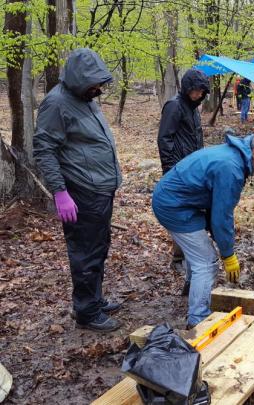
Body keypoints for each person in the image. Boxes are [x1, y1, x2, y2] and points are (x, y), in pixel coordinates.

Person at [33, 48, 122, 332]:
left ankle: (93, 299)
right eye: (93, 83)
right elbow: (44, 149)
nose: (98, 88)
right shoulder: (56, 103)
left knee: (99, 246)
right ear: (78, 79)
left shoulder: (85, 99)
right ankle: (86, 311)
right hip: (82, 190)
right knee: (86, 251)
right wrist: (60, 192)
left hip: (101, 187)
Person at [152, 133, 254, 328]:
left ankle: (192, 287)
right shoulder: (231, 168)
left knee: (199, 252)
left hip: (182, 202)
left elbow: (217, 211)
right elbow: (222, 217)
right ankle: (198, 318)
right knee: (206, 261)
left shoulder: (235, 157)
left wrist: (223, 243)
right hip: (174, 206)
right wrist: (228, 255)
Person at [157, 68, 210, 281]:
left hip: (193, 171)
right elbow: (164, 139)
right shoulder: (174, 106)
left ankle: (183, 257)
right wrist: (171, 170)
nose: (197, 95)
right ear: (187, 88)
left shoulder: (193, 109)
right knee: (182, 214)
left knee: (191, 213)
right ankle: (179, 259)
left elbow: (197, 139)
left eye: (201, 91)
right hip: (178, 171)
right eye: (194, 91)